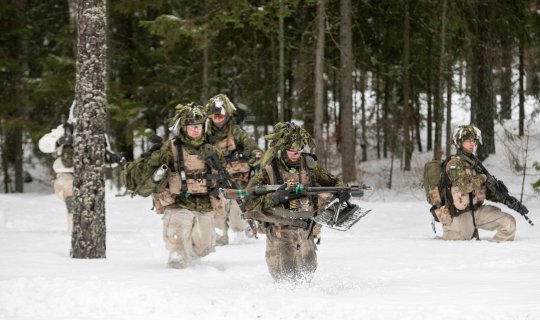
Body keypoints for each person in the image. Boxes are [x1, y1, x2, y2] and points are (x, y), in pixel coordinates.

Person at [245, 122, 346, 283]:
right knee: (284, 276)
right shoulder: (270, 170)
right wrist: (274, 198)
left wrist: (340, 193)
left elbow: (334, 182)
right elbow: (248, 199)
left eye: (298, 151)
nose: (296, 155)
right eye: (291, 151)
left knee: (307, 272)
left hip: (306, 227)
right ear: (283, 150)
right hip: (280, 229)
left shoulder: (310, 166)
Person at [148, 102, 227, 268]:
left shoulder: (211, 149)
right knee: (177, 235)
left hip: (205, 202)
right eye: (191, 126)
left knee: (205, 246)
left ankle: (190, 255)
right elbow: (155, 174)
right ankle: (177, 256)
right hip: (179, 201)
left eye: (198, 126)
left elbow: (222, 171)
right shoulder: (171, 148)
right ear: (183, 127)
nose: (195, 130)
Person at [434, 124, 516, 242]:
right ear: (459, 142)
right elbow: (465, 186)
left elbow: (486, 191)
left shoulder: (474, 164)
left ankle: (496, 255)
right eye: (468, 140)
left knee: (508, 223)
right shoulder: (454, 164)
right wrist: (482, 178)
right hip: (458, 217)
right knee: (461, 252)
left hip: (477, 212)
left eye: (473, 140)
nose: (472, 144)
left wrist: (504, 198)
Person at [205, 94, 263, 245]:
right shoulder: (205, 134)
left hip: (238, 181)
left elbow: (257, 153)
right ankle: (219, 237)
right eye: (214, 115)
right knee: (217, 215)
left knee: (239, 222)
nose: (217, 118)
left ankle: (245, 232)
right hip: (216, 182)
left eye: (220, 115)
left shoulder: (236, 132)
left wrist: (245, 156)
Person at [39, 122, 75, 234]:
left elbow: (106, 154)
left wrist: (113, 158)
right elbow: (43, 145)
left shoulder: (97, 130)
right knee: (70, 191)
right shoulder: (64, 129)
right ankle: (73, 228)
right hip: (65, 173)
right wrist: (59, 141)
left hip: (89, 174)